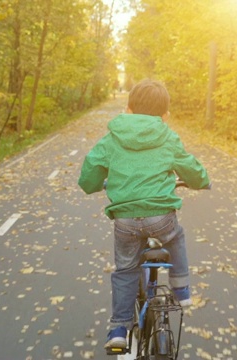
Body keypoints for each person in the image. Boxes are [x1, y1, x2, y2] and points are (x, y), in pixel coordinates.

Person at [77, 79, 210, 351]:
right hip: (161, 217)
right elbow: (190, 168)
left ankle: (118, 328)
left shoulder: (112, 137)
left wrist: (92, 185)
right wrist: (201, 180)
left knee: (126, 270)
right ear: (165, 115)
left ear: (128, 108)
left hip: (125, 220)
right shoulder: (167, 136)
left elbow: (90, 172)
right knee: (176, 237)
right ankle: (181, 290)